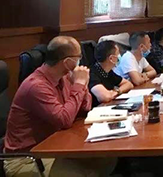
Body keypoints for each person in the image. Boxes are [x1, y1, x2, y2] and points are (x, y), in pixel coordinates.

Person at [3, 36, 115, 177]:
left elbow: (85, 108)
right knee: (82, 172)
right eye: (78, 57)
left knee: (106, 158)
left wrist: (83, 85)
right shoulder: (36, 86)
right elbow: (64, 119)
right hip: (27, 159)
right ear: (67, 62)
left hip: (53, 148)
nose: (81, 61)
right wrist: (79, 84)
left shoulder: (64, 78)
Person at [89, 40, 133, 107]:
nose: (119, 56)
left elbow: (129, 84)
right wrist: (111, 94)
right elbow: (105, 97)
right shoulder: (92, 74)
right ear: (111, 58)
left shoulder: (108, 72)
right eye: (118, 53)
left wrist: (117, 91)